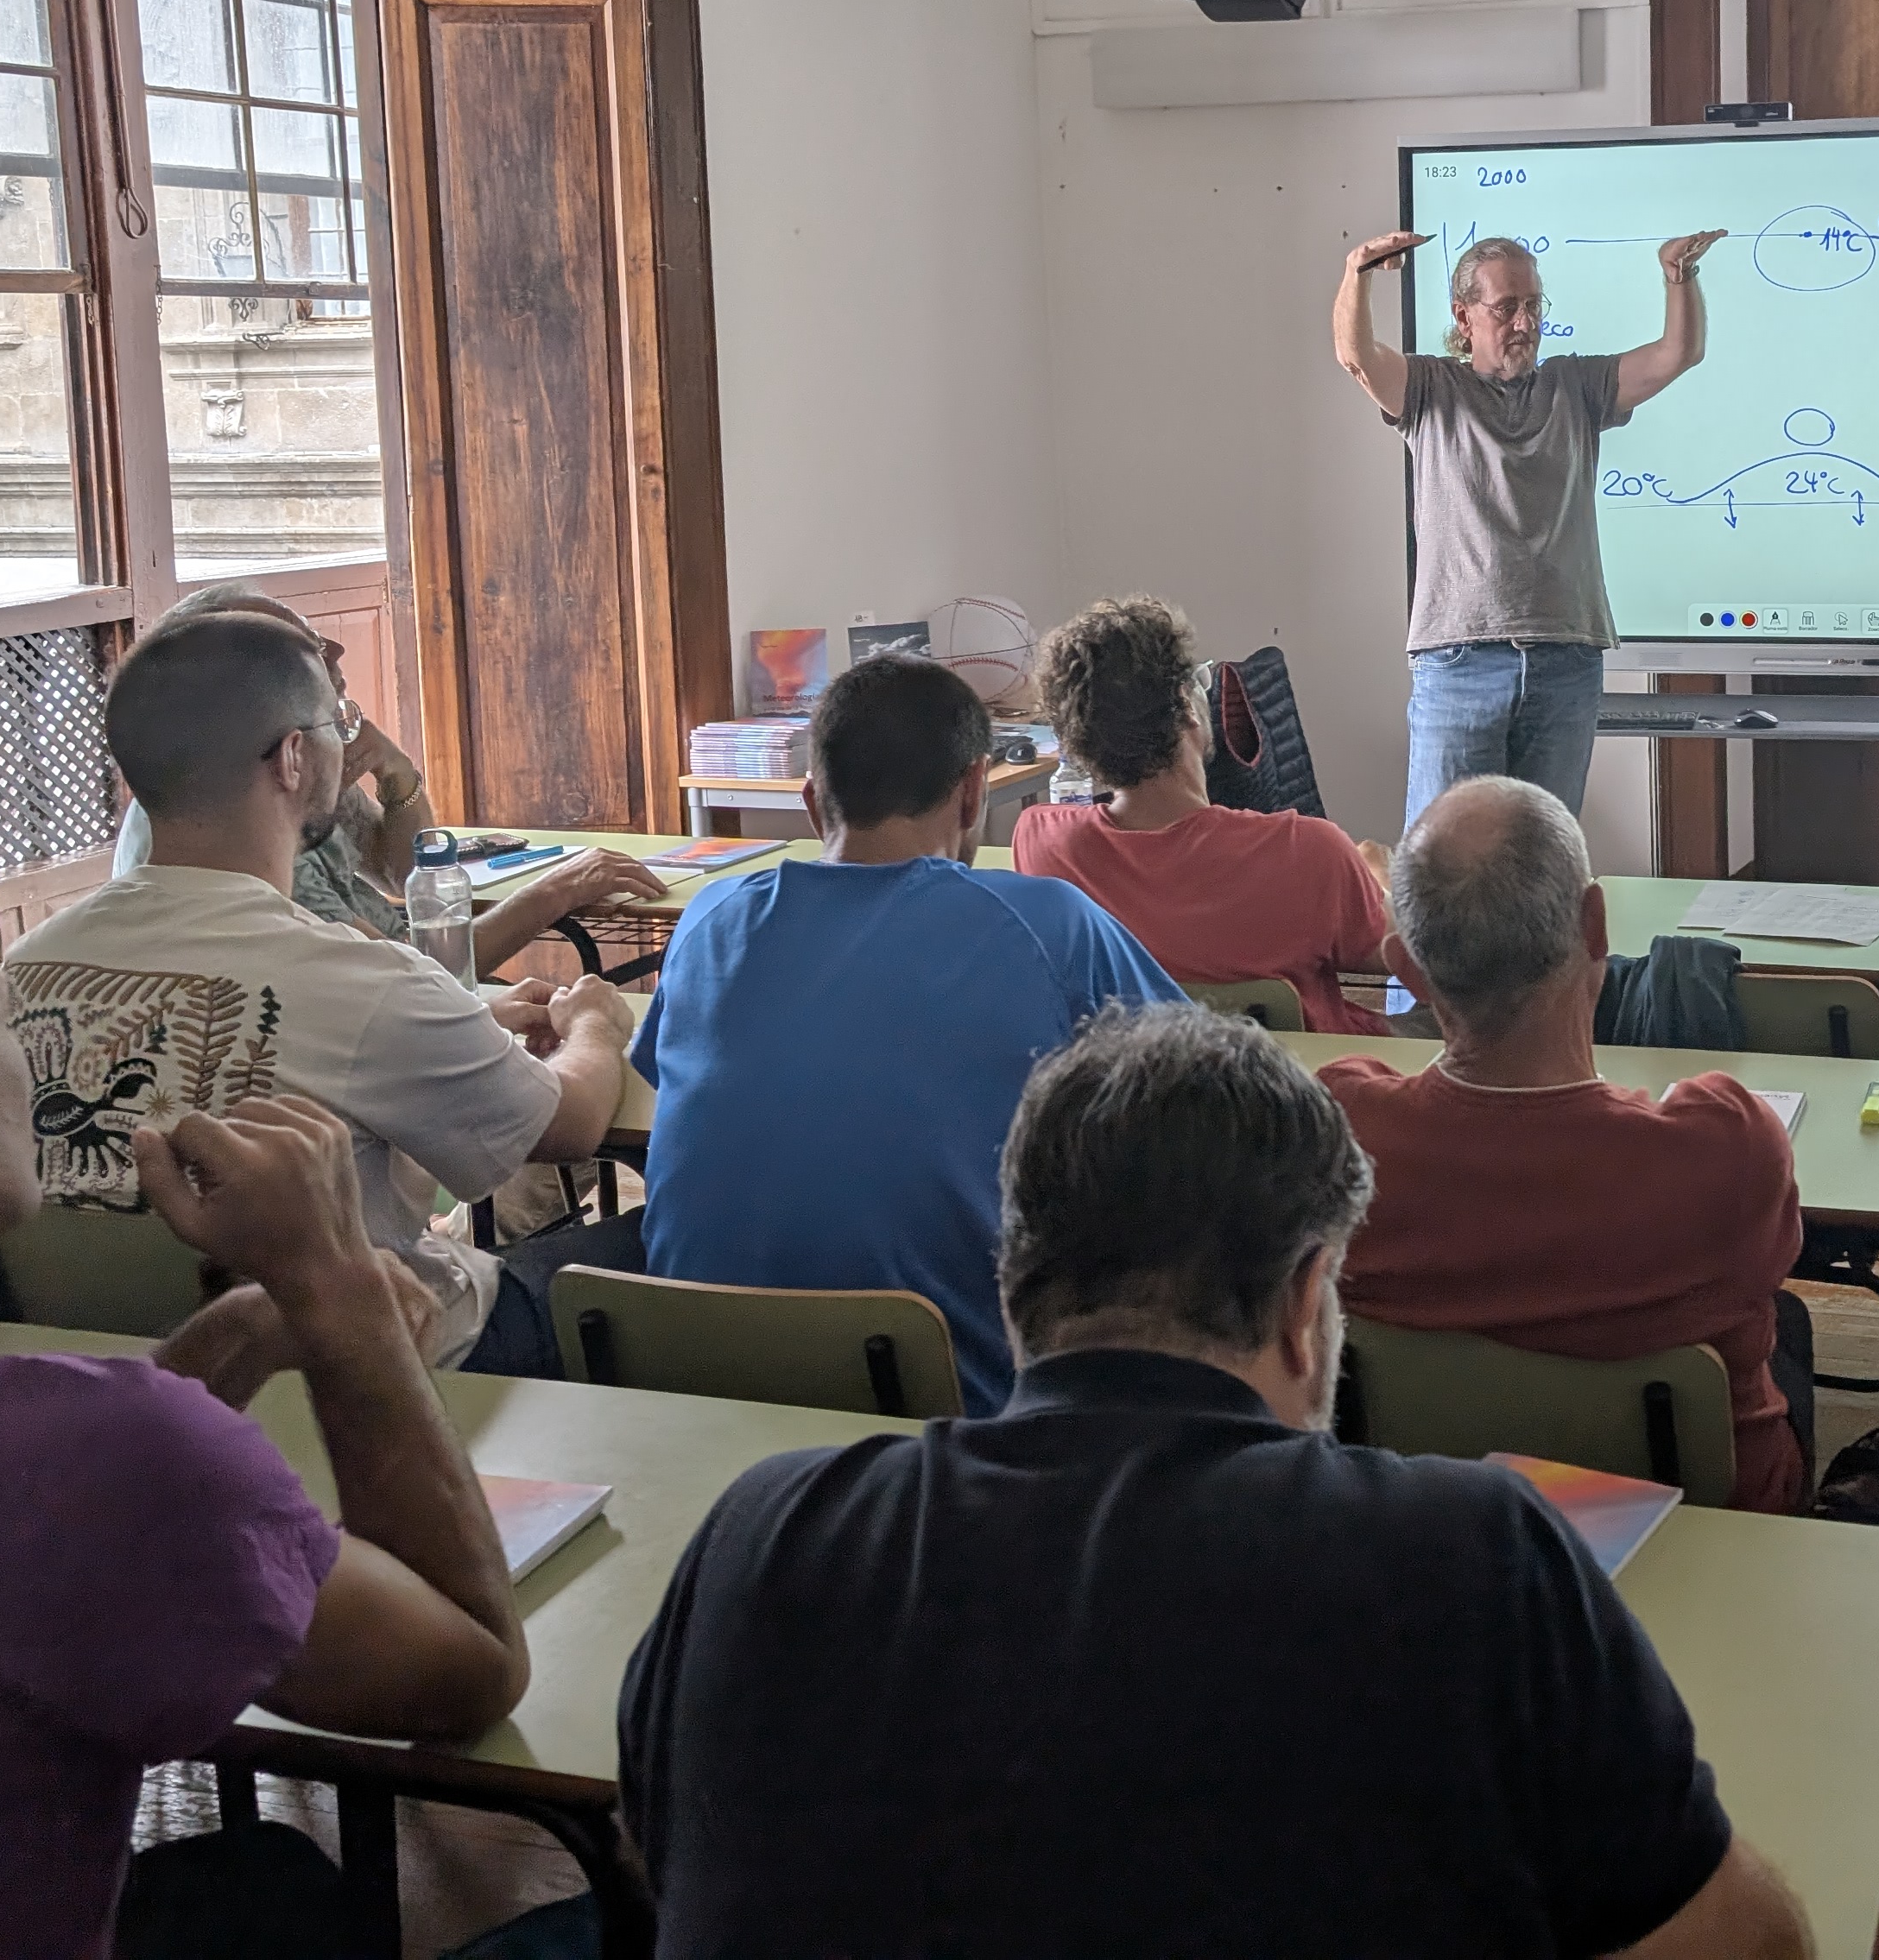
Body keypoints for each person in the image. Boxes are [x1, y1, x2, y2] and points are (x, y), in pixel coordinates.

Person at [620, 1002, 1808, 1960]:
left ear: (1011, 1282)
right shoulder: (1475, 1558)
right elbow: (1752, 1946)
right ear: (1306, 1305)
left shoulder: (760, 1539)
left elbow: (668, 1860)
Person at [0, 849, 528, 1953]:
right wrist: (339, 1293)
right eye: (12, 1023)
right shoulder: (90, 1467)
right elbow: (466, 1668)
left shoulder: (59, 1465)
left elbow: (15, 1501)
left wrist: (236, 1334)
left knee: (261, 1881)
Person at [9, 611, 636, 1374]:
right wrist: (594, 1022)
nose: (351, 737)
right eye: (340, 721)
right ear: (293, 757)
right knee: (649, 1249)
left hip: (113, 1371)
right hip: (366, 1374)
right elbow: (568, 1126)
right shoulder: (354, 977)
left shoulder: (21, 968)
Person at [631, 651, 1180, 1412]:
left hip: (688, 1387)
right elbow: (1211, 1093)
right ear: (972, 793)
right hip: (957, 1412)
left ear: (810, 801)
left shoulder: (707, 922)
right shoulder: (1048, 925)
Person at [1314, 775, 1809, 1514]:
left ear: (1407, 971)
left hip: (1445, 1520)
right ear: (1597, 925)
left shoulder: (1335, 1141)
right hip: (1707, 1534)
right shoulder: (1729, 1146)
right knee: (1788, 1330)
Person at [1335, 222, 1725, 832]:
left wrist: (1680, 277)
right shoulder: (1432, 389)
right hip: (1460, 660)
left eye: (1533, 305)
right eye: (1506, 308)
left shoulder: (1577, 386)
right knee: (1444, 859)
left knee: (1544, 862)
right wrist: (1357, 275)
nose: (1524, 323)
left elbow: (1677, 354)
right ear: (1465, 319)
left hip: (1564, 661)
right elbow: (1357, 357)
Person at [111, 581, 669, 976]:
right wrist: (558, 890)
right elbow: (408, 977)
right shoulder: (247, 816)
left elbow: (402, 873)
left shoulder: (290, 774)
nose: (333, 650)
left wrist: (396, 772)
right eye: (301, 645)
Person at [1014, 594, 1393, 1034]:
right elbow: (1402, 952)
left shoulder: (1040, 843)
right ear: (1187, 704)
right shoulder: (1311, 851)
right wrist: (1381, 881)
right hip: (1298, 1090)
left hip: (1139, 1087)